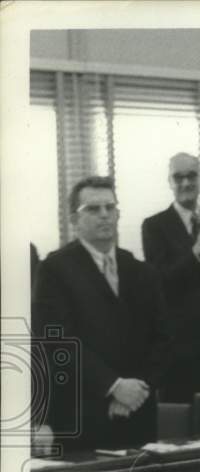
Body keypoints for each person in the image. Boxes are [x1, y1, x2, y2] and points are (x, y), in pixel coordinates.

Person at [33, 176, 171, 450]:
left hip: (138, 414)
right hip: (86, 416)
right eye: (93, 209)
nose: (105, 215)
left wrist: (137, 390)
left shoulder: (141, 271)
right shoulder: (55, 270)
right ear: (74, 219)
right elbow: (57, 341)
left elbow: (163, 339)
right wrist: (113, 386)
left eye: (110, 207)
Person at [141, 152, 200, 402]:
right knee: (180, 428)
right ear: (169, 181)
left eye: (191, 176)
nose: (185, 183)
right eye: (178, 177)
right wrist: (196, 252)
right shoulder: (154, 225)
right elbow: (158, 282)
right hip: (178, 349)